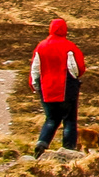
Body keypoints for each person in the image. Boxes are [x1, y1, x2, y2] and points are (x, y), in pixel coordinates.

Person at [28, 17, 86, 157]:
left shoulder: (41, 46)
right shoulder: (69, 46)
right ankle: (69, 151)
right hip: (66, 88)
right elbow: (77, 67)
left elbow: (35, 68)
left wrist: (35, 84)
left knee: (51, 118)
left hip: (46, 88)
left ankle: (42, 143)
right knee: (69, 120)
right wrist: (74, 79)